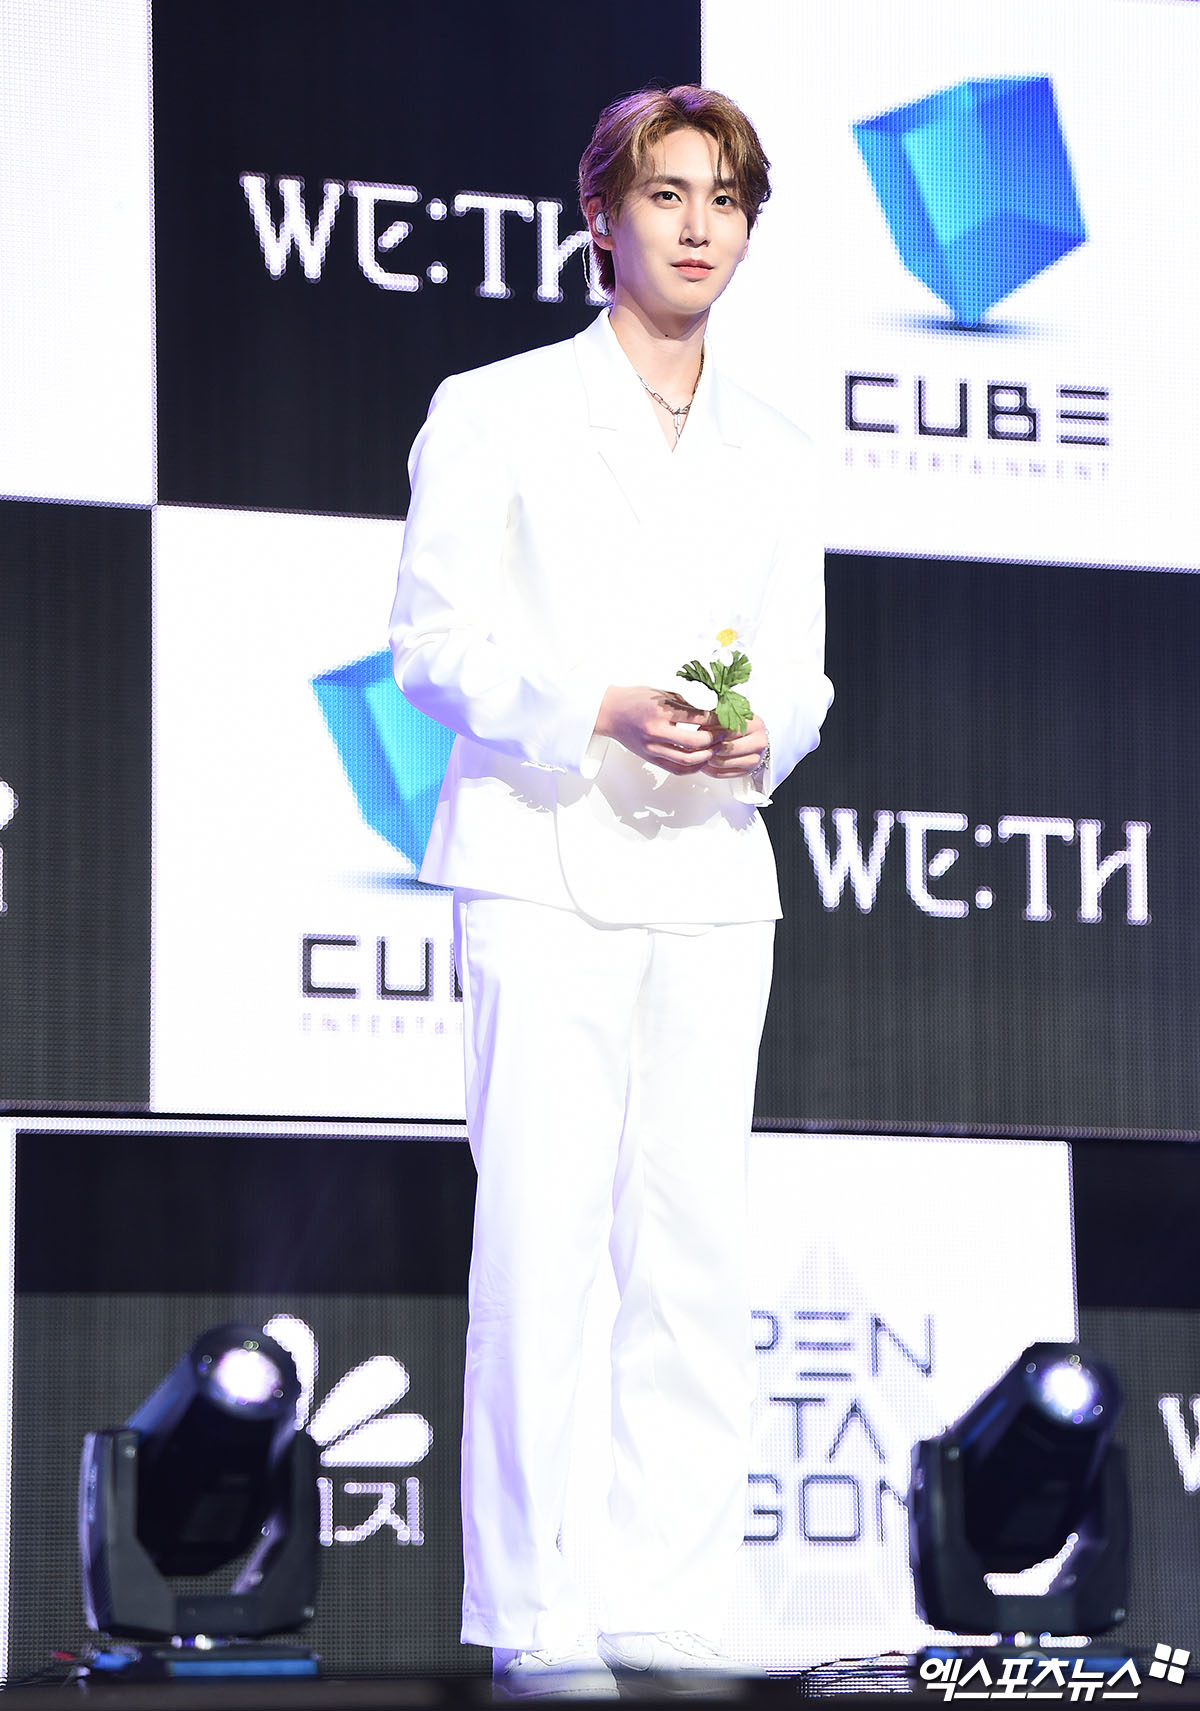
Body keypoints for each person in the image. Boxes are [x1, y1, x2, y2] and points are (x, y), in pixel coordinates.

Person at [389, 85, 833, 1698]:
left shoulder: (777, 447)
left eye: (727, 198)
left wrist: (767, 733)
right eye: (667, 193)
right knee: (542, 1245)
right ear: (603, 217)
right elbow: (431, 646)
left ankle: (672, 1596)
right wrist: (595, 706)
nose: (700, 225)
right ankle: (535, 1611)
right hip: (541, 860)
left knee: (694, 1249)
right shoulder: (497, 406)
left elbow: (802, 668)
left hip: (713, 874)